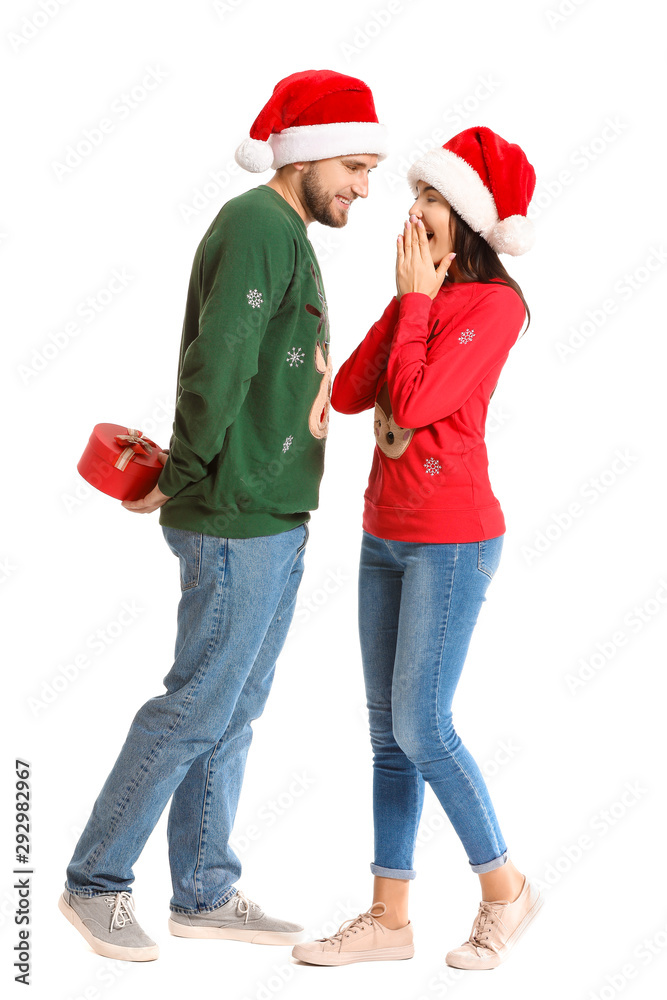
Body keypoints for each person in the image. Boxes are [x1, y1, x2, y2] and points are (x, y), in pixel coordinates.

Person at [58, 68, 387, 963]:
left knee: (234, 707)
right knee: (197, 704)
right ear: (309, 156)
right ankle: (96, 883)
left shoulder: (284, 231)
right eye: (355, 166)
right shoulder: (256, 225)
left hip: (271, 512)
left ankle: (203, 888)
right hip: (233, 511)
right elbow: (221, 359)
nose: (364, 185)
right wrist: (187, 470)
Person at [292, 127, 542, 971]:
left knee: (423, 727)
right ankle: (388, 919)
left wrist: (417, 303)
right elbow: (360, 391)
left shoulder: (495, 306)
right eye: (415, 196)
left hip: (453, 539)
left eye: (431, 198)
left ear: (466, 217)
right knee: (387, 735)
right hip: (384, 534)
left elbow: (420, 393)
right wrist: (404, 298)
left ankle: (505, 891)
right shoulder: (422, 295)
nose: (413, 210)